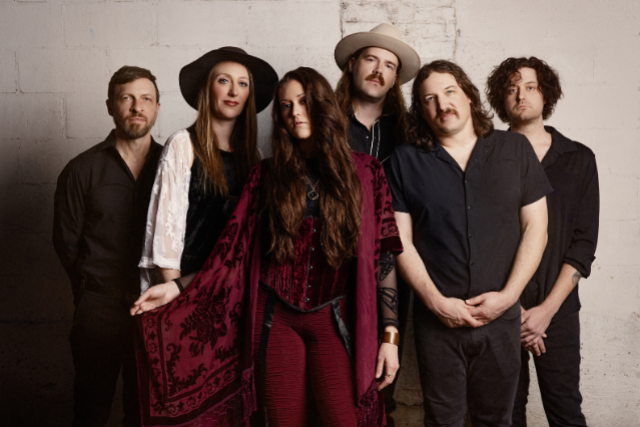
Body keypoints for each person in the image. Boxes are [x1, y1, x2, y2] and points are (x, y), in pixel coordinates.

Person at [131, 67, 403, 427]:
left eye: (304, 101)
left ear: (323, 104)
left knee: (344, 419)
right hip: (276, 317)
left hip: (336, 317)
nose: (295, 112)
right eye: (286, 106)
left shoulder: (367, 173)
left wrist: (390, 335)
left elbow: (384, 256)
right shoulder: (264, 175)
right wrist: (176, 287)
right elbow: (233, 252)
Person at [387, 60, 552, 427]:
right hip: (437, 324)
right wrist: (436, 302)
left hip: (502, 322)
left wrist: (508, 298)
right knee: (442, 421)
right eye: (429, 99)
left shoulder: (515, 149)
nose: (441, 104)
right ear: (421, 111)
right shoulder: (404, 161)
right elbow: (400, 240)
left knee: (497, 420)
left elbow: (536, 229)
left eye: (449, 92)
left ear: (469, 96)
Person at [486, 57, 599, 427]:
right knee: (505, 414)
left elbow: (584, 243)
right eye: (511, 88)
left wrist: (546, 311)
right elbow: (482, 239)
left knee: (565, 411)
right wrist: (515, 308)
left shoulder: (579, 159)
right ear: (501, 99)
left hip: (558, 310)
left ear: (545, 94)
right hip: (500, 308)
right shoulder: (485, 156)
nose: (521, 95)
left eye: (530, 87)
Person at [53, 66, 162, 427]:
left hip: (157, 307)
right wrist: (91, 293)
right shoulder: (81, 169)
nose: (137, 107)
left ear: (157, 107)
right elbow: (66, 243)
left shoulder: (175, 167)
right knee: (90, 409)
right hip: (98, 310)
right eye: (126, 98)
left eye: (146, 98)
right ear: (110, 106)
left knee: (145, 413)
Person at [135, 47, 277, 301]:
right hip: (187, 285)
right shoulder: (183, 144)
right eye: (224, 81)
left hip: (236, 287)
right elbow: (166, 235)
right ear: (207, 89)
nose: (233, 91)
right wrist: (178, 294)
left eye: (242, 84)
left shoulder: (253, 156)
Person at [334, 23, 419, 425]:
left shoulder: (410, 132)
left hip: (390, 266)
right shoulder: (325, 122)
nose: (378, 70)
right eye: (371, 59)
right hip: (334, 264)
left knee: (384, 370)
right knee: (334, 373)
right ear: (353, 64)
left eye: (389, 65)